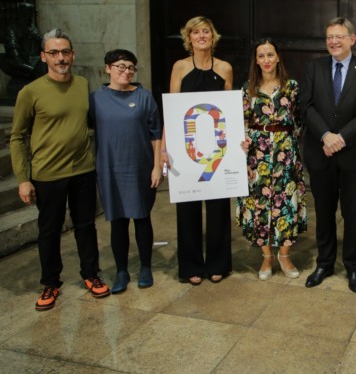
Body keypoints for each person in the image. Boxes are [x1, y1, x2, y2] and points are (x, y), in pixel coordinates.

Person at [10, 28, 111, 310]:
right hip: (48, 174)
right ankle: (50, 283)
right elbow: (17, 137)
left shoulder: (82, 84)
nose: (61, 58)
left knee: (86, 226)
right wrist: (23, 179)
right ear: (43, 56)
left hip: (82, 170)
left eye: (65, 51)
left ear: (73, 55)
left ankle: (91, 274)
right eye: (54, 52)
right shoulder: (30, 92)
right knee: (49, 231)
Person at [302, 17, 356, 293]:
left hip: (354, 155)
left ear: (352, 39)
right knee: (324, 212)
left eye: (339, 37)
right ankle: (324, 263)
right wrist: (326, 135)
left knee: (353, 213)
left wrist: (341, 138)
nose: (333, 42)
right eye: (329, 37)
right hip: (320, 152)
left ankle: (353, 266)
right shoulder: (313, 68)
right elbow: (306, 106)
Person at [165, 16, 234, 285]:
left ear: (213, 36)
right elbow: (172, 110)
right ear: (189, 38)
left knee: (219, 206)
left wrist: (236, 144)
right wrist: (165, 148)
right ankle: (191, 265)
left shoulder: (225, 68)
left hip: (216, 147)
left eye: (206, 31)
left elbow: (229, 111)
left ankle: (218, 263)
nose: (202, 36)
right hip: (187, 147)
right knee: (187, 207)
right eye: (196, 32)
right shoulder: (180, 67)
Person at [90, 49, 163, 293]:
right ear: (107, 68)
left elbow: (156, 134)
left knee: (142, 217)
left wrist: (156, 166)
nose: (126, 71)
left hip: (140, 167)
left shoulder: (144, 96)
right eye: (120, 66)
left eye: (131, 67)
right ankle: (121, 271)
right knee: (118, 221)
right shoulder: (96, 99)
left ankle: (145, 267)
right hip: (110, 168)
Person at [236, 38, 307, 280]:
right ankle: (266, 257)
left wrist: (288, 144)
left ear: (277, 57)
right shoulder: (248, 88)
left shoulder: (292, 87)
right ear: (256, 61)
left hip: (285, 154)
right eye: (261, 56)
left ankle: (285, 255)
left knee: (287, 202)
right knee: (259, 204)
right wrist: (245, 143)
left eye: (270, 55)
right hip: (257, 155)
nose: (266, 60)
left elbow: (300, 120)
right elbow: (242, 122)